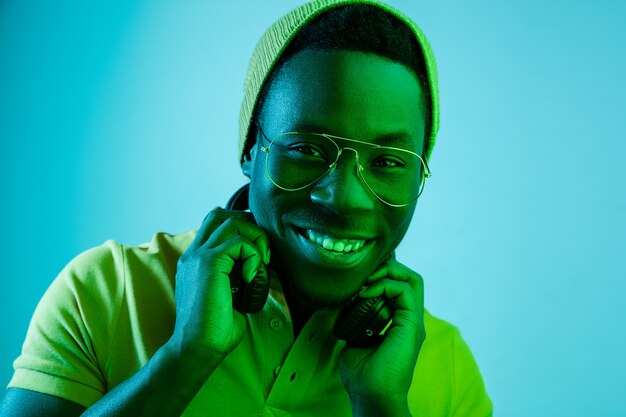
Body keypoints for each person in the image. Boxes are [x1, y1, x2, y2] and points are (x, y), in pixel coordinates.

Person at [0, 1, 493, 416]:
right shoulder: (105, 291)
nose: (343, 198)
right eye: (305, 149)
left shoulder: (448, 364)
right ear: (250, 149)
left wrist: (381, 402)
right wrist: (186, 356)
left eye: (387, 161)